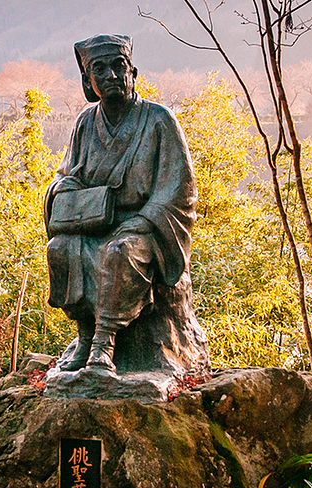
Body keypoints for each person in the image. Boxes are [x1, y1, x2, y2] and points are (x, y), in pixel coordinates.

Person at [45, 34, 208, 380]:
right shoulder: (85, 124)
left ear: (133, 71)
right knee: (60, 248)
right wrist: (68, 191)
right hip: (95, 223)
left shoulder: (159, 120)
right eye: (99, 70)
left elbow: (180, 189)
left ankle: (105, 343)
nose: (111, 76)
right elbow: (66, 175)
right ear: (88, 83)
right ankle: (85, 335)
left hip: (143, 227)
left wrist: (144, 220)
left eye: (118, 67)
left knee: (121, 251)